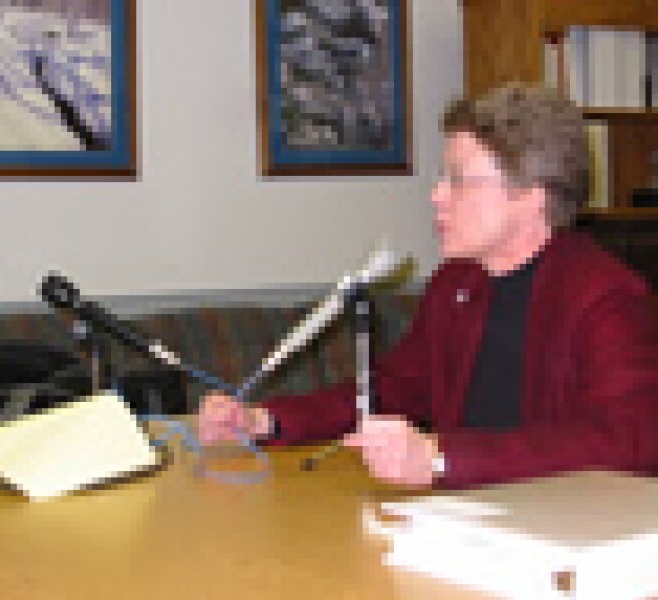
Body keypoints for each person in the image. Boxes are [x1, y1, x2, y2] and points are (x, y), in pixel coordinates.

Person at [197, 84, 658, 489]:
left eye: (458, 180)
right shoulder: (456, 285)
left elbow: (630, 439)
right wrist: (266, 419)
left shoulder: (604, 296)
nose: (436, 195)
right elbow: (395, 388)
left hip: (569, 539)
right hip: (467, 522)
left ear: (530, 197)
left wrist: (441, 458)